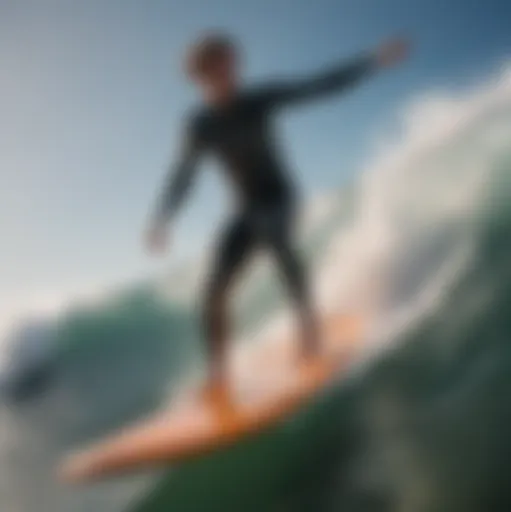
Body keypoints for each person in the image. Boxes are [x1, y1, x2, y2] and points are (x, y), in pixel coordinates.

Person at [145, 32, 409, 400]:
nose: (229, 73)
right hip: (242, 209)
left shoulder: (258, 100)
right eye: (218, 69)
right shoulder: (198, 125)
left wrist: (370, 61)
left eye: (231, 64)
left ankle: (310, 329)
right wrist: (163, 217)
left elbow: (317, 87)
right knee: (213, 291)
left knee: (273, 234)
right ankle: (219, 374)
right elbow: (184, 174)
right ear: (199, 77)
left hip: (280, 197)